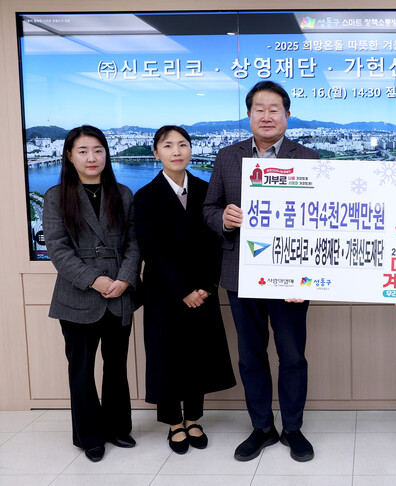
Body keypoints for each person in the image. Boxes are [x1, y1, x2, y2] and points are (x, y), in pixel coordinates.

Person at [203, 81, 320, 462]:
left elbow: (322, 219)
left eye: (274, 109)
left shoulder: (309, 158)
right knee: (251, 356)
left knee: (293, 356)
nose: (266, 116)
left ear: (287, 115)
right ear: (249, 114)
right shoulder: (227, 156)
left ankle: (293, 428)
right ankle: (262, 427)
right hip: (242, 273)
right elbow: (209, 209)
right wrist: (223, 218)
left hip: (292, 276)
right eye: (259, 109)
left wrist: (309, 275)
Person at [134, 126, 236, 454]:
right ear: (156, 153)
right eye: (168, 146)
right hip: (165, 292)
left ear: (191, 149)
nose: (176, 151)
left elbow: (218, 243)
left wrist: (206, 286)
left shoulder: (207, 192)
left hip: (202, 290)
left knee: (197, 355)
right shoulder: (145, 196)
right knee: (166, 356)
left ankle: (193, 418)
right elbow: (151, 249)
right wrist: (182, 290)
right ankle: (173, 422)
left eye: (182, 144)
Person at [43, 125, 140, 462]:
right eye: (83, 151)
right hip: (78, 296)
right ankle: (90, 436)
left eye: (98, 150)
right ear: (69, 156)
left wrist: (125, 279)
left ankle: (117, 428)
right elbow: (58, 249)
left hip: (119, 294)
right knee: (81, 370)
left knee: (116, 368)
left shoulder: (123, 193)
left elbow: (134, 244)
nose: (91, 157)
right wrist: (94, 280)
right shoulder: (56, 196)